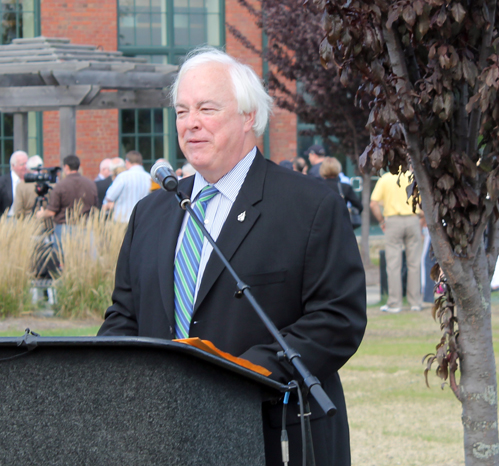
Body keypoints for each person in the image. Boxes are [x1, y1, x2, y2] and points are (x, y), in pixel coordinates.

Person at [98, 47, 366, 466]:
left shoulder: (309, 206)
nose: (191, 123)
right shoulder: (151, 211)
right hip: (162, 441)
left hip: (273, 436)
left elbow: (337, 318)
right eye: (182, 111)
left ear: (248, 117)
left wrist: (235, 375)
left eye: (206, 108)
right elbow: (124, 317)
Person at [370, 170, 423, 313]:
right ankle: (415, 302)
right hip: (413, 220)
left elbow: (373, 203)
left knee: (393, 264)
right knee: (414, 264)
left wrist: (381, 220)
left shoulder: (386, 178)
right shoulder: (414, 177)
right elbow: (423, 202)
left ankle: (395, 302)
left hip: (393, 220)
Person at [36, 155, 98, 235]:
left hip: (65, 229)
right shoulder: (91, 184)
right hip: (85, 227)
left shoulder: (60, 185)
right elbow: (95, 207)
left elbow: (51, 212)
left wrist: (41, 214)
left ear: (66, 167)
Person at [102, 151, 151, 223]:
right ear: (141, 163)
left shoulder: (123, 177)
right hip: (143, 220)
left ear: (127, 162)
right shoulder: (149, 178)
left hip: (123, 220)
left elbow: (109, 197)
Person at [0, 150, 28, 217]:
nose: (25, 167)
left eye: (26, 164)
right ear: (13, 165)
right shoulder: (2, 181)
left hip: (28, 220)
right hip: (7, 220)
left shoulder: (31, 180)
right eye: (22, 164)